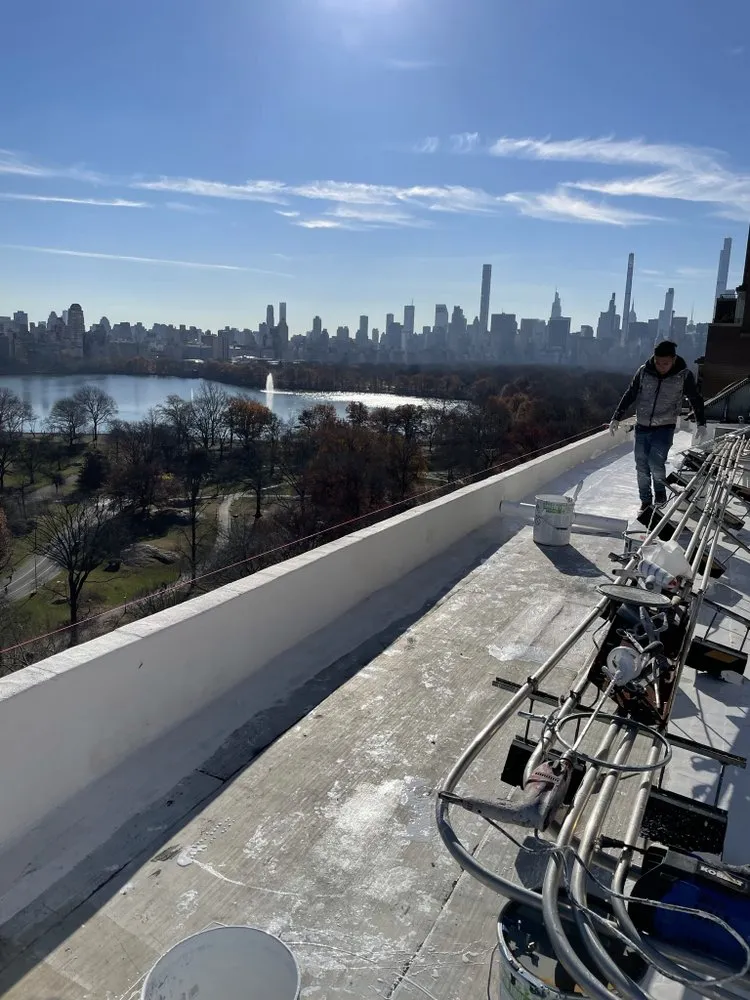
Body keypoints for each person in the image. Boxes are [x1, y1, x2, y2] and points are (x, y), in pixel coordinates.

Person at [609, 340, 707, 514]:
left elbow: (695, 398)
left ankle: (660, 495)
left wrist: (701, 423)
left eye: (666, 363)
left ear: (673, 360)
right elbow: (631, 393)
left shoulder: (683, 375)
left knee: (655, 462)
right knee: (641, 465)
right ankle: (645, 501)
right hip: (642, 425)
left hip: (665, 426)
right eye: (658, 362)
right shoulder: (644, 371)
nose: (661, 367)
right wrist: (616, 417)